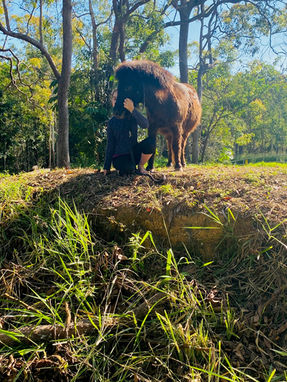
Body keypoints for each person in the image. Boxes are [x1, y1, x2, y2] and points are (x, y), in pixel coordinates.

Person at [103, 90, 156, 176]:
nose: (116, 101)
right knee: (128, 170)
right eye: (114, 99)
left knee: (151, 142)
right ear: (112, 101)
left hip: (134, 153)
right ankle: (126, 168)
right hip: (119, 157)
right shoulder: (111, 122)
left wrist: (132, 109)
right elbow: (110, 144)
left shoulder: (132, 116)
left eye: (119, 99)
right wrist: (107, 166)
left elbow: (145, 125)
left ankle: (141, 166)